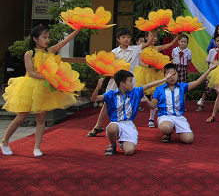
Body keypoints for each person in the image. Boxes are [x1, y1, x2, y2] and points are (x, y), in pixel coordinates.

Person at [1, 25, 82, 157]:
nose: (47, 40)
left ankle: (37, 147)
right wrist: (48, 78)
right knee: (21, 117)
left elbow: (65, 41)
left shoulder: (50, 51)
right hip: (30, 87)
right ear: (35, 39)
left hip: (44, 88)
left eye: (48, 37)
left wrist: (77, 30)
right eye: (44, 37)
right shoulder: (29, 53)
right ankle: (4, 141)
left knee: (41, 118)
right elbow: (31, 73)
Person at [86, 28, 156, 137]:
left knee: (130, 103)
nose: (126, 39)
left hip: (129, 81)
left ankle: (127, 127)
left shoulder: (135, 49)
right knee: (107, 102)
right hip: (115, 81)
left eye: (128, 37)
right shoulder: (114, 52)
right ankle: (98, 126)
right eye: (123, 37)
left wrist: (156, 31)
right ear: (118, 39)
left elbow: (148, 43)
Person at [90, 69, 171, 156]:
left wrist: (165, 79)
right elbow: (94, 99)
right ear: (122, 83)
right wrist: (97, 89)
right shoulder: (111, 94)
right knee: (112, 127)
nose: (132, 84)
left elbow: (149, 85)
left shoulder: (135, 92)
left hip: (129, 125)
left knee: (129, 151)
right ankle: (112, 145)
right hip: (116, 123)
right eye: (130, 81)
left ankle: (123, 143)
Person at [150, 62, 218, 143]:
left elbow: (197, 82)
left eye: (174, 74)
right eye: (169, 74)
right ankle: (167, 133)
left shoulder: (182, 87)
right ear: (165, 75)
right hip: (165, 116)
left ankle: (181, 129)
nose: (172, 76)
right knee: (166, 128)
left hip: (179, 117)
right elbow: (153, 105)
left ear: (177, 75)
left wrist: (209, 69)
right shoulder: (159, 89)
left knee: (189, 140)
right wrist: (145, 99)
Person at [135, 33, 180, 128]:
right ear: (146, 37)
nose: (154, 38)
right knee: (138, 95)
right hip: (144, 74)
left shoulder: (157, 48)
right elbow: (140, 62)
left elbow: (170, 45)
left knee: (154, 96)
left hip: (156, 74)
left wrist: (177, 37)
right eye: (151, 36)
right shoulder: (142, 48)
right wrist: (148, 66)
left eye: (155, 36)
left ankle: (151, 118)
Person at [196, 34, 219, 112]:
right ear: (214, 42)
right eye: (217, 41)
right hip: (211, 72)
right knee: (206, 89)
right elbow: (209, 62)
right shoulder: (212, 51)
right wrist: (209, 71)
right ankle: (201, 104)